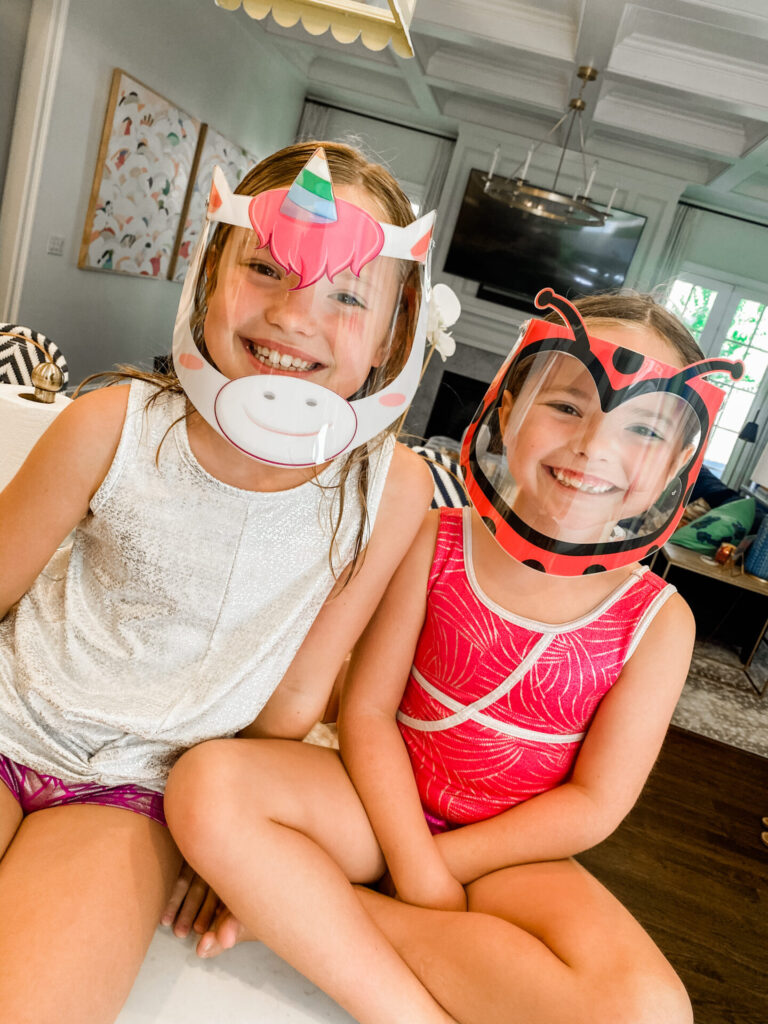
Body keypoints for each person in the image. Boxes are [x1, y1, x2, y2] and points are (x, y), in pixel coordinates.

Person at [164, 289, 743, 1024]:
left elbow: (595, 803)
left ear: (677, 469)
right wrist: (411, 858)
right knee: (208, 785)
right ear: (507, 408)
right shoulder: (436, 539)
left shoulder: (660, 621)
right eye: (566, 406)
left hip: (510, 856)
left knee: (651, 1012)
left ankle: (311, 911)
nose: (595, 445)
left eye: (643, 431)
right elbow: (369, 711)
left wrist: (441, 872)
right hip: (375, 808)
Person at [0, 141, 440, 1024]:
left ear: (395, 332)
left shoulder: (389, 491)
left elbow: (297, 699)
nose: (294, 315)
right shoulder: (109, 423)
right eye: (267, 269)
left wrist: (232, 845)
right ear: (209, 274)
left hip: (140, 789)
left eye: (346, 295)